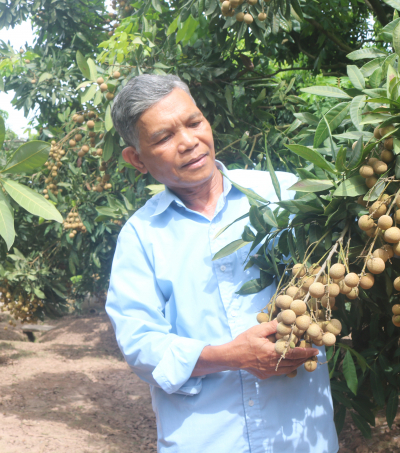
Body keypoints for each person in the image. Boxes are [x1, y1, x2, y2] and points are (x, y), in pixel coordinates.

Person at [105, 74, 339, 453]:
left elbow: (343, 263)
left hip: (300, 438)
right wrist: (232, 356)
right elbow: (140, 344)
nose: (188, 142)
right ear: (137, 159)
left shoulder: (285, 194)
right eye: (164, 138)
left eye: (194, 122)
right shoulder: (140, 236)